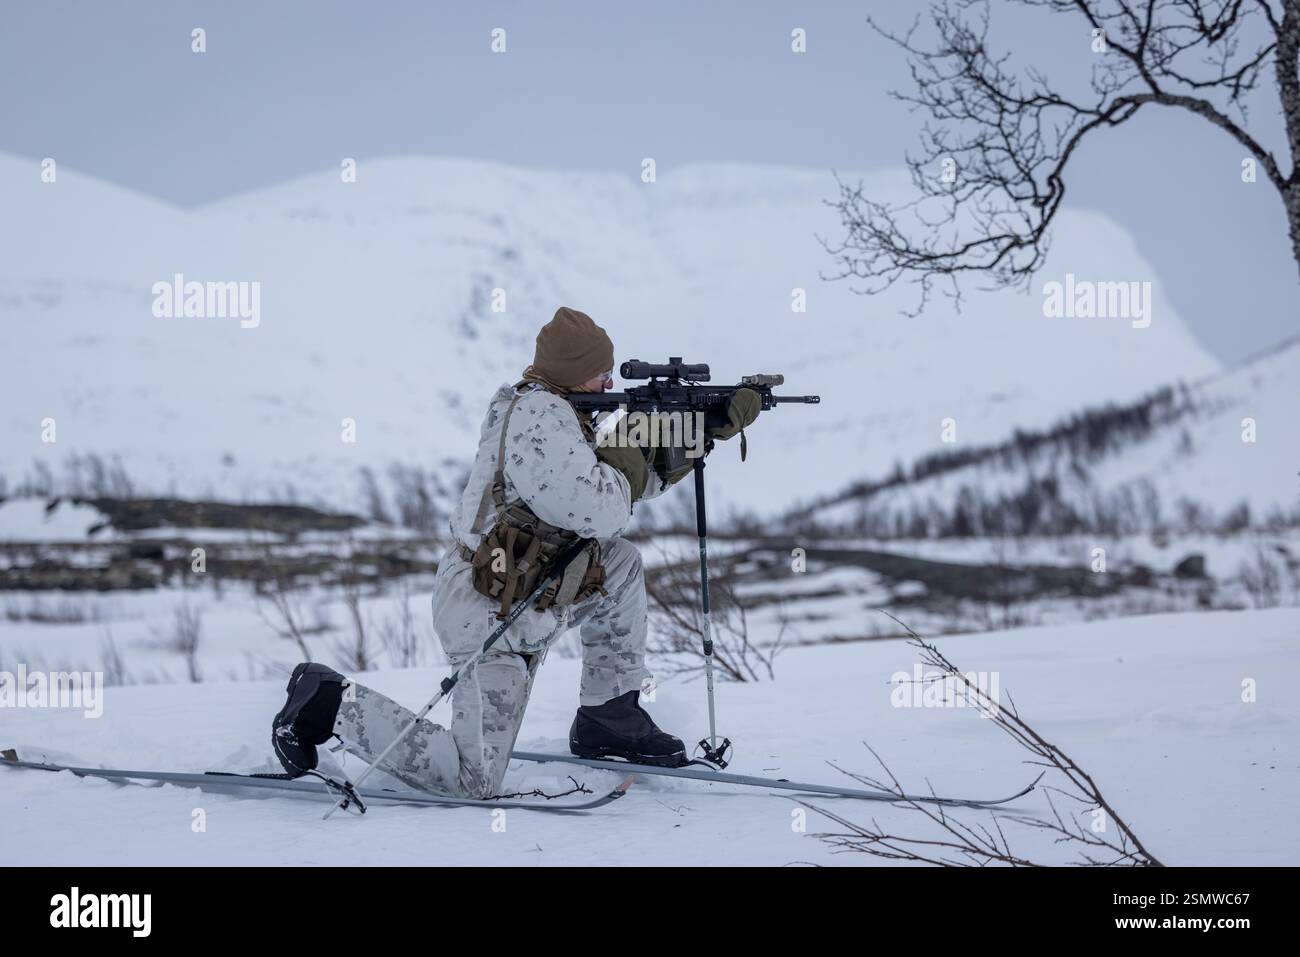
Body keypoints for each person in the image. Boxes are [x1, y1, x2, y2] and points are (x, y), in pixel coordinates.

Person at [270, 306, 758, 799]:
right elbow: (599, 507)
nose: (608, 381)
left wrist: (691, 438)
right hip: (489, 612)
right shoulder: (537, 417)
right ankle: (329, 704)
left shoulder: (562, 413)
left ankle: (609, 717)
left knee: (619, 565)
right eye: (600, 373)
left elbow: (612, 489)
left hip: (534, 590)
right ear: (571, 371)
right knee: (472, 781)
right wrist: (633, 440)